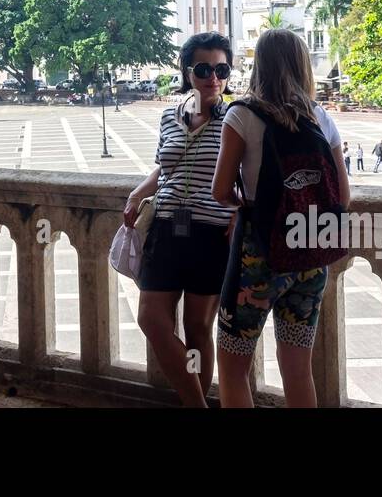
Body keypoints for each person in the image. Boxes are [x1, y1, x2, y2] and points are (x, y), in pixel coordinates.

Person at [211, 27, 349, 408]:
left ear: (260, 65)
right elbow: (344, 195)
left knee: (234, 368)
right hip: (310, 253)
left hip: (259, 258)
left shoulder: (241, 115)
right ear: (302, 64)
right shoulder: (320, 116)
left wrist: (246, 204)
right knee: (297, 369)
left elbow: (220, 191)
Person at [122, 32, 235, 407]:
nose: (213, 77)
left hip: (211, 233)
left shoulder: (237, 118)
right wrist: (140, 192)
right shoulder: (170, 117)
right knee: (152, 320)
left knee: (199, 329)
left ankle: (193, 402)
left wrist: (241, 212)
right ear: (187, 72)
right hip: (168, 227)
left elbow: (251, 176)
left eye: (221, 68)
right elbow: (165, 167)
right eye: (204, 68)